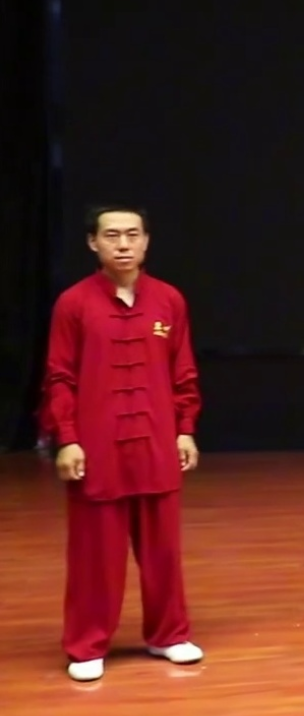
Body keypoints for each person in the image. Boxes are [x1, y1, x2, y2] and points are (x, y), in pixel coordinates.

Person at [39, 205, 205, 683]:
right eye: (112, 235)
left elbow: (183, 371)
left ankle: (168, 634)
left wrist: (185, 429)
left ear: (147, 240)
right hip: (98, 449)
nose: (124, 244)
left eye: (133, 234)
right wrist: (67, 439)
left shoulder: (169, 301)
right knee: (95, 557)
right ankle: (87, 644)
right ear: (93, 243)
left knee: (163, 552)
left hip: (155, 444)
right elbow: (59, 377)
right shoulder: (73, 304)